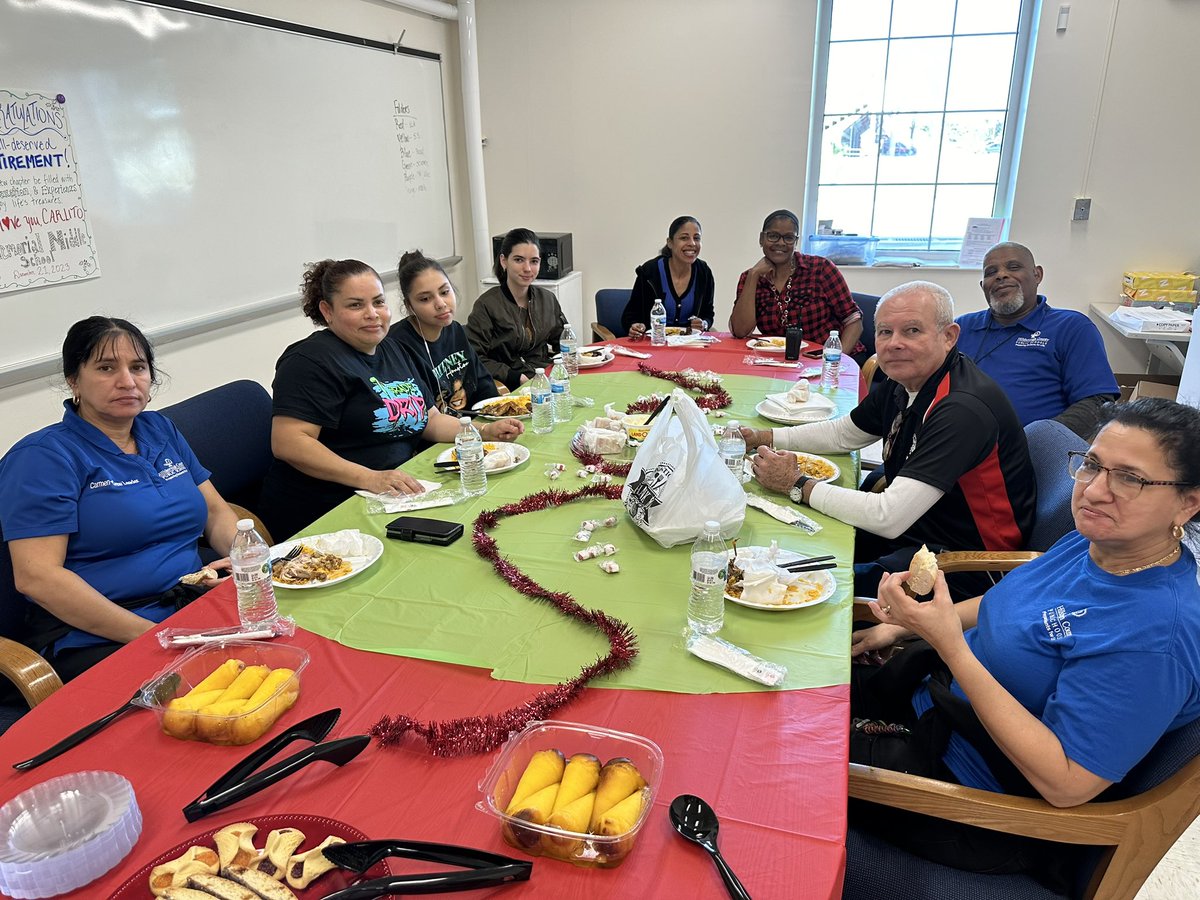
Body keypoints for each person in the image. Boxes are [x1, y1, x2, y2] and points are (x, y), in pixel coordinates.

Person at [846, 397, 1200, 886]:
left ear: (1189, 501)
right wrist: (905, 625)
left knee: (770, 763)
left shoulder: (1154, 637)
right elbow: (1010, 609)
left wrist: (950, 644)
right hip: (929, 704)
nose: (1096, 491)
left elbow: (1065, 782)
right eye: (1092, 465)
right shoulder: (1094, 541)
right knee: (790, 684)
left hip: (973, 801)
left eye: (1130, 478)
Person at [742, 281, 1035, 598]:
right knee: (790, 545)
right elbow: (845, 433)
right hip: (918, 529)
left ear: (949, 336)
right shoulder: (908, 379)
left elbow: (887, 517)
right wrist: (765, 436)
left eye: (911, 331)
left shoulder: (962, 410)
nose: (894, 343)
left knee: (796, 584)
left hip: (963, 565)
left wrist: (796, 484)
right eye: (884, 332)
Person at [0, 317, 238, 681]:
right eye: (106, 368)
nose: (127, 381)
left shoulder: (160, 429)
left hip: (190, 603)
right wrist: (153, 637)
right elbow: (38, 577)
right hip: (100, 635)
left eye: (138, 367)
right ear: (73, 379)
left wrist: (251, 565)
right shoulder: (43, 457)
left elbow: (216, 512)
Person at [261, 258, 523, 540]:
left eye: (378, 302)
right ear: (327, 311)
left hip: (394, 491)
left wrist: (481, 431)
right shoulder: (310, 361)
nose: (372, 314)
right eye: (355, 305)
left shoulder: (392, 349)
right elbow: (289, 443)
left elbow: (430, 419)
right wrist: (370, 478)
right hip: (329, 509)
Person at [956, 242, 1119, 437]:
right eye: (991, 272)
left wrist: (1036, 442)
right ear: (983, 286)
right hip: (962, 447)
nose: (1001, 275)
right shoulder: (962, 328)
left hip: (1036, 454)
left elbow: (1097, 402)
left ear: (1037, 275)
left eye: (1013, 267)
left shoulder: (1072, 327)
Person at [730, 209, 864, 354]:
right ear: (761, 239)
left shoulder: (820, 269)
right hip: (779, 361)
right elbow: (740, 331)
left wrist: (835, 360)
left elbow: (853, 321)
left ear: (796, 241)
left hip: (826, 358)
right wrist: (754, 275)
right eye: (773, 236)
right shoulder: (749, 278)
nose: (781, 243)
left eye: (788, 238)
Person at [389, 250, 498, 413]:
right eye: (425, 299)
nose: (440, 304)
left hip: (473, 426)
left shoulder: (455, 330)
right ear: (409, 306)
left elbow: (483, 384)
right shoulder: (396, 346)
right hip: (438, 434)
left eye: (445, 292)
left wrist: (498, 415)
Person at [466, 228, 567, 390]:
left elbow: (564, 343)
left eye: (534, 261)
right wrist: (515, 377)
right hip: (508, 385)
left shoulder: (547, 299)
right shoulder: (486, 305)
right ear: (503, 261)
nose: (528, 268)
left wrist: (561, 369)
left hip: (545, 378)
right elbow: (474, 357)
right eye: (519, 260)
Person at [622, 216, 715, 338]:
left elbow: (708, 314)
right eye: (684, 238)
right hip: (654, 344)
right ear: (670, 243)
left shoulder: (704, 272)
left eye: (696, 238)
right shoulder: (650, 271)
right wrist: (635, 326)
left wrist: (704, 324)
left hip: (689, 345)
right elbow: (630, 316)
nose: (692, 243)